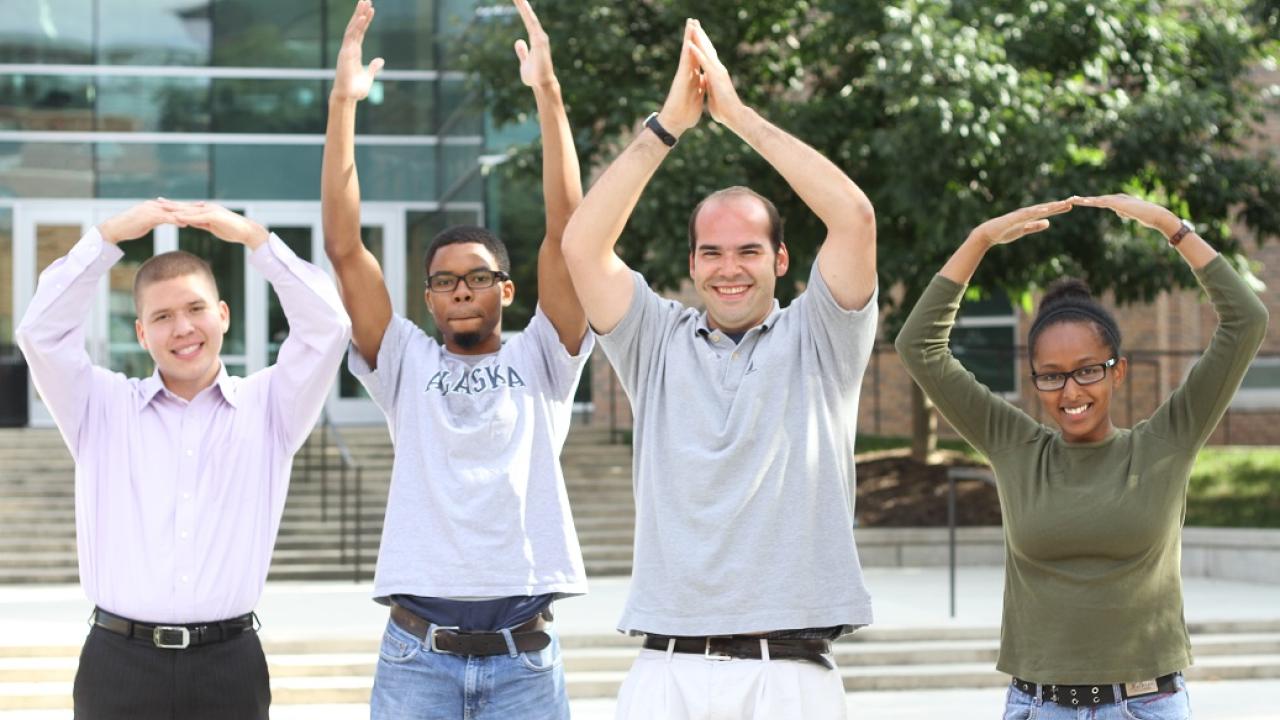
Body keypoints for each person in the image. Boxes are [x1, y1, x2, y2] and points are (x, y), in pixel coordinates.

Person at [560, 19, 878, 719]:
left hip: (789, 674)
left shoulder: (822, 338)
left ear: (781, 261)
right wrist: (668, 125)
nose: (729, 268)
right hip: (667, 670)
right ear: (692, 263)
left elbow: (853, 217)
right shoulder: (654, 340)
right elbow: (582, 245)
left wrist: (733, 116)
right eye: (711, 252)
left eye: (748, 251)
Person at [894, 194, 1268, 718]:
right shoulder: (1015, 446)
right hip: (1038, 704)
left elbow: (1245, 321)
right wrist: (980, 240)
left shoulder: (1165, 442)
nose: (1070, 391)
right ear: (1037, 380)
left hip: (1146, 703)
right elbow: (919, 345)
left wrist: (1169, 227)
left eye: (1088, 370)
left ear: (1117, 370)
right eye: (1051, 375)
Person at [320, 2, 592, 717]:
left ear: (507, 289)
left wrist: (549, 94)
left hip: (525, 658)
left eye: (476, 277)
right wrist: (343, 106)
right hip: (417, 656)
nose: (460, 290)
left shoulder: (545, 356)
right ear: (428, 298)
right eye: (444, 280)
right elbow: (346, 249)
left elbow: (570, 232)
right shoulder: (404, 360)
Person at [14, 199, 352, 719]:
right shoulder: (98, 406)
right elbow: (41, 332)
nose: (183, 328)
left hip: (229, 666)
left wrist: (254, 239)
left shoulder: (272, 406)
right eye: (163, 316)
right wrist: (108, 236)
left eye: (196, 309)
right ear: (142, 333)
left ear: (223, 315)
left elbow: (327, 326)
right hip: (118, 665)